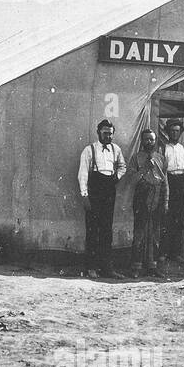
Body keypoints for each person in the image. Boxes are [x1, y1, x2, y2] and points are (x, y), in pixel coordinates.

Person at [77, 119, 126, 279]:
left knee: (106, 231)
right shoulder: (89, 150)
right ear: (98, 132)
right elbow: (83, 174)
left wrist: (116, 177)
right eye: (105, 133)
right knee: (92, 231)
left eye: (110, 134)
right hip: (94, 193)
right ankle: (91, 267)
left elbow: (122, 166)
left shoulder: (116, 149)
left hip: (109, 192)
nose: (108, 136)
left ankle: (107, 269)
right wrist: (85, 196)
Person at [129, 129, 169, 279]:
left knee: (155, 233)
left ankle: (153, 266)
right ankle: (136, 267)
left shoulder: (161, 158)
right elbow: (131, 180)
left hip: (157, 195)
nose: (149, 142)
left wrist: (165, 201)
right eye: (146, 139)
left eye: (151, 140)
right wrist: (144, 169)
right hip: (141, 194)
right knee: (139, 232)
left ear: (155, 141)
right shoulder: (136, 158)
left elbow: (165, 181)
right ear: (142, 141)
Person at [158, 119, 184, 264]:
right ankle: (163, 253)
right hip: (168, 182)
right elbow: (161, 171)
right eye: (172, 130)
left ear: (181, 132)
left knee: (179, 220)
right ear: (167, 132)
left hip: (181, 183)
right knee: (166, 219)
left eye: (177, 131)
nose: (175, 133)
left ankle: (175, 253)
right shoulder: (162, 149)